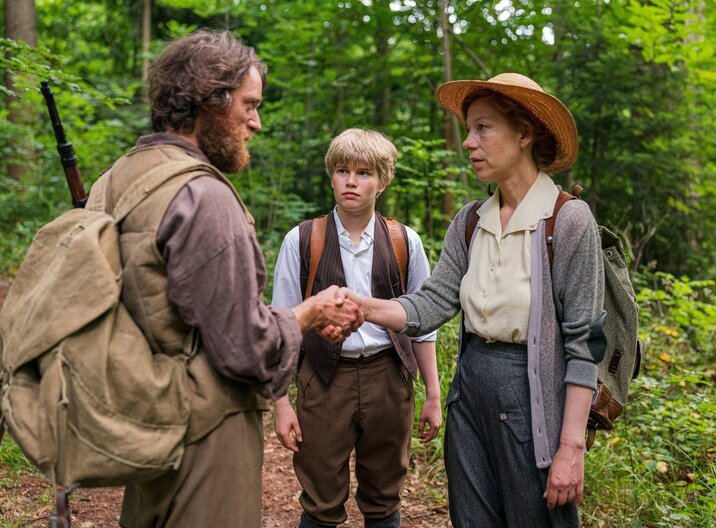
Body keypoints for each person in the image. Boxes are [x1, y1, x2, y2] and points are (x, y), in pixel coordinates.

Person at [84, 30, 362, 527]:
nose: (256, 122)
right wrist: (311, 311)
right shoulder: (203, 196)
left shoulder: (118, 178)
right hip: (205, 435)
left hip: (143, 420)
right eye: (248, 105)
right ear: (207, 99)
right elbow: (245, 347)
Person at [340, 73, 607, 527]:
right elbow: (430, 304)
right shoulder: (470, 221)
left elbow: (584, 344)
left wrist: (571, 446)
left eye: (483, 128)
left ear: (524, 133)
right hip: (469, 396)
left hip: (533, 399)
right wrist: (360, 307)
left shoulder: (566, 220)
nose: (468, 143)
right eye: (468, 129)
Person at [271, 128, 442, 528]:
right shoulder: (302, 240)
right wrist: (281, 403)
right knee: (320, 498)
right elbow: (282, 327)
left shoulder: (404, 240)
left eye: (364, 172)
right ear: (331, 176)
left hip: (388, 377)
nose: (351, 181)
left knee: (384, 496)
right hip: (323, 379)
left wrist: (433, 394)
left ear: (383, 181)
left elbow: (422, 323)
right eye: (342, 171)